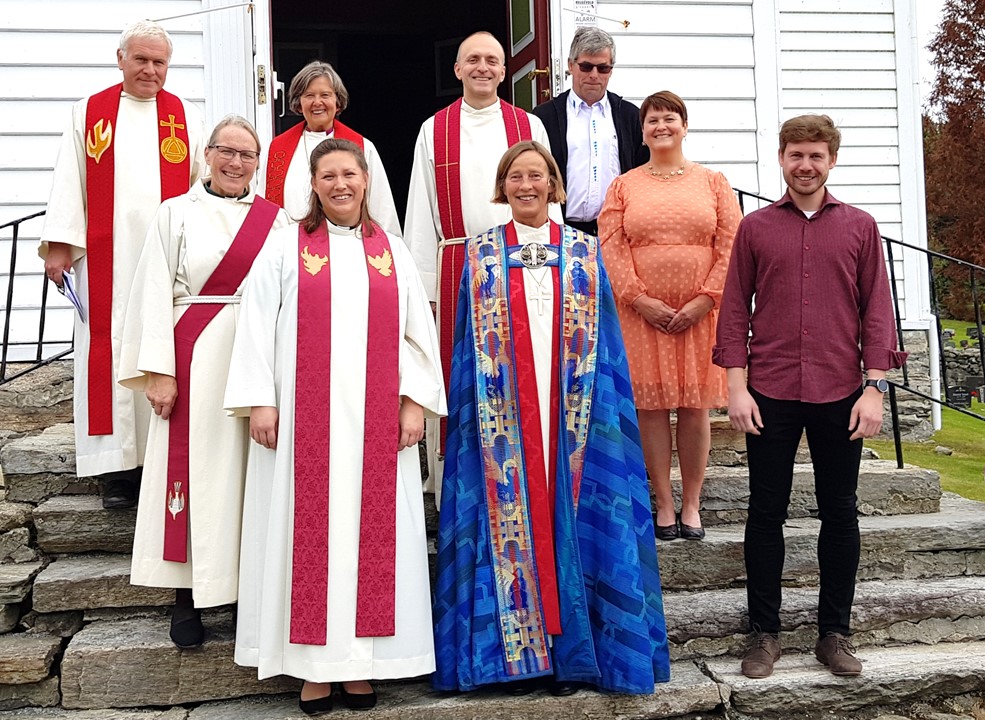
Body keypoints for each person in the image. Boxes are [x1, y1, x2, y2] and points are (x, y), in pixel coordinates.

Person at [433, 141, 668, 696]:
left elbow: (607, 343)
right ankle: (514, 661)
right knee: (511, 515)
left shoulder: (584, 253)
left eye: (536, 175)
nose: (526, 185)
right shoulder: (481, 254)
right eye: (515, 176)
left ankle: (573, 654)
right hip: (504, 411)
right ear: (502, 187)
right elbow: (468, 346)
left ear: (555, 184)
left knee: (572, 512)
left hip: (574, 410)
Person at [225, 138, 445, 715]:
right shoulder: (284, 246)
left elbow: (416, 335)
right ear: (313, 183)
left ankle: (363, 666)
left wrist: (414, 401)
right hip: (304, 423)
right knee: (309, 539)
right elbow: (255, 323)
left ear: (367, 179)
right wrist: (261, 400)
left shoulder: (391, 251)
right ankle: (312, 670)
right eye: (329, 176)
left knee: (372, 539)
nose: (341, 184)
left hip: (377, 425)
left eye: (350, 173)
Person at [713, 114, 907, 679]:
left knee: (840, 512)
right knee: (764, 514)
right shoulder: (754, 228)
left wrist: (874, 389)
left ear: (832, 161)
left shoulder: (860, 228)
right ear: (780, 158)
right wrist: (735, 386)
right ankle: (764, 635)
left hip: (841, 391)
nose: (805, 165)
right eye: (796, 155)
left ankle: (834, 634)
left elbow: (878, 312)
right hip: (769, 390)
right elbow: (732, 311)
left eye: (816, 156)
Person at [118, 115, 289, 649]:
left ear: (258, 163)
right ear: (206, 154)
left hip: (261, 358)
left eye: (247, 155)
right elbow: (149, 293)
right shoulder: (176, 214)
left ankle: (245, 593)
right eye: (226, 151)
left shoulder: (278, 222)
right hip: (196, 356)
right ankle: (187, 594)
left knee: (249, 476)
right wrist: (160, 371)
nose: (236, 163)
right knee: (196, 474)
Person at [39, 20, 207, 509]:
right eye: (141, 59)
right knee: (107, 347)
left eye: (160, 62)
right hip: (106, 257)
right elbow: (69, 178)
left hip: (170, 258)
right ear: (120, 59)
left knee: (162, 346)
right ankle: (114, 466)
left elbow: (203, 183)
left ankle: (160, 458)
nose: (150, 70)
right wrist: (59, 244)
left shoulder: (185, 116)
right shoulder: (90, 113)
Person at [404, 30, 557, 501]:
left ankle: (529, 464)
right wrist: (423, 289)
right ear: (457, 69)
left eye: (492, 59)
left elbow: (548, 197)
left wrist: (552, 261)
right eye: (473, 60)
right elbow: (421, 211)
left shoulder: (528, 125)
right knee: (460, 374)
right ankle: (454, 478)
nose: (483, 68)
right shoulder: (435, 129)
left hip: (521, 264)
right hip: (457, 263)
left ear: (504, 69)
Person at [599, 91, 741, 541]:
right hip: (642, 315)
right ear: (641, 132)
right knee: (652, 408)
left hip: (701, 314)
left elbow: (732, 243)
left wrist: (706, 300)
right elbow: (612, 245)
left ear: (684, 126)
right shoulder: (624, 185)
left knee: (695, 407)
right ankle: (663, 501)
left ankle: (693, 503)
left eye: (670, 118)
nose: (661, 126)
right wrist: (639, 299)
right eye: (652, 120)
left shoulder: (713, 182)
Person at [531, 26, 648, 236]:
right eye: (586, 67)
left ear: (611, 70)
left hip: (617, 231)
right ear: (570, 65)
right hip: (560, 230)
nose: (594, 75)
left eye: (603, 68)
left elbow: (645, 170)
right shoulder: (543, 117)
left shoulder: (631, 116)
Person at [261, 61, 400, 233]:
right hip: (290, 249)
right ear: (299, 102)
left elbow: (381, 209)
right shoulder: (276, 150)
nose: (317, 102)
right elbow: (263, 212)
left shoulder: (362, 147)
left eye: (325, 95)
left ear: (337, 100)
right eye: (309, 95)